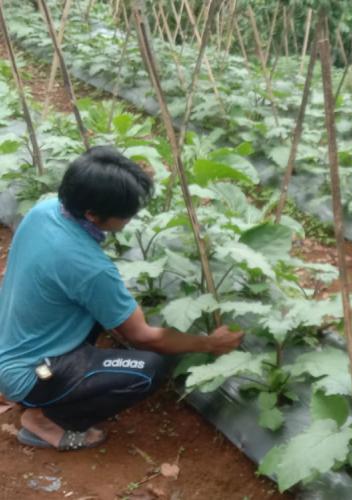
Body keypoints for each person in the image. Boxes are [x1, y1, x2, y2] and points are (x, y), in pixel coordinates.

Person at [0, 146, 243, 451]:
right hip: (33, 373)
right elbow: (144, 337)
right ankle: (44, 420)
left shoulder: (44, 211)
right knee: (148, 370)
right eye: (126, 213)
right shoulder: (89, 268)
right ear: (92, 214)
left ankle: (48, 393)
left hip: (11, 342)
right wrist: (208, 343)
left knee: (103, 312)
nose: (130, 218)